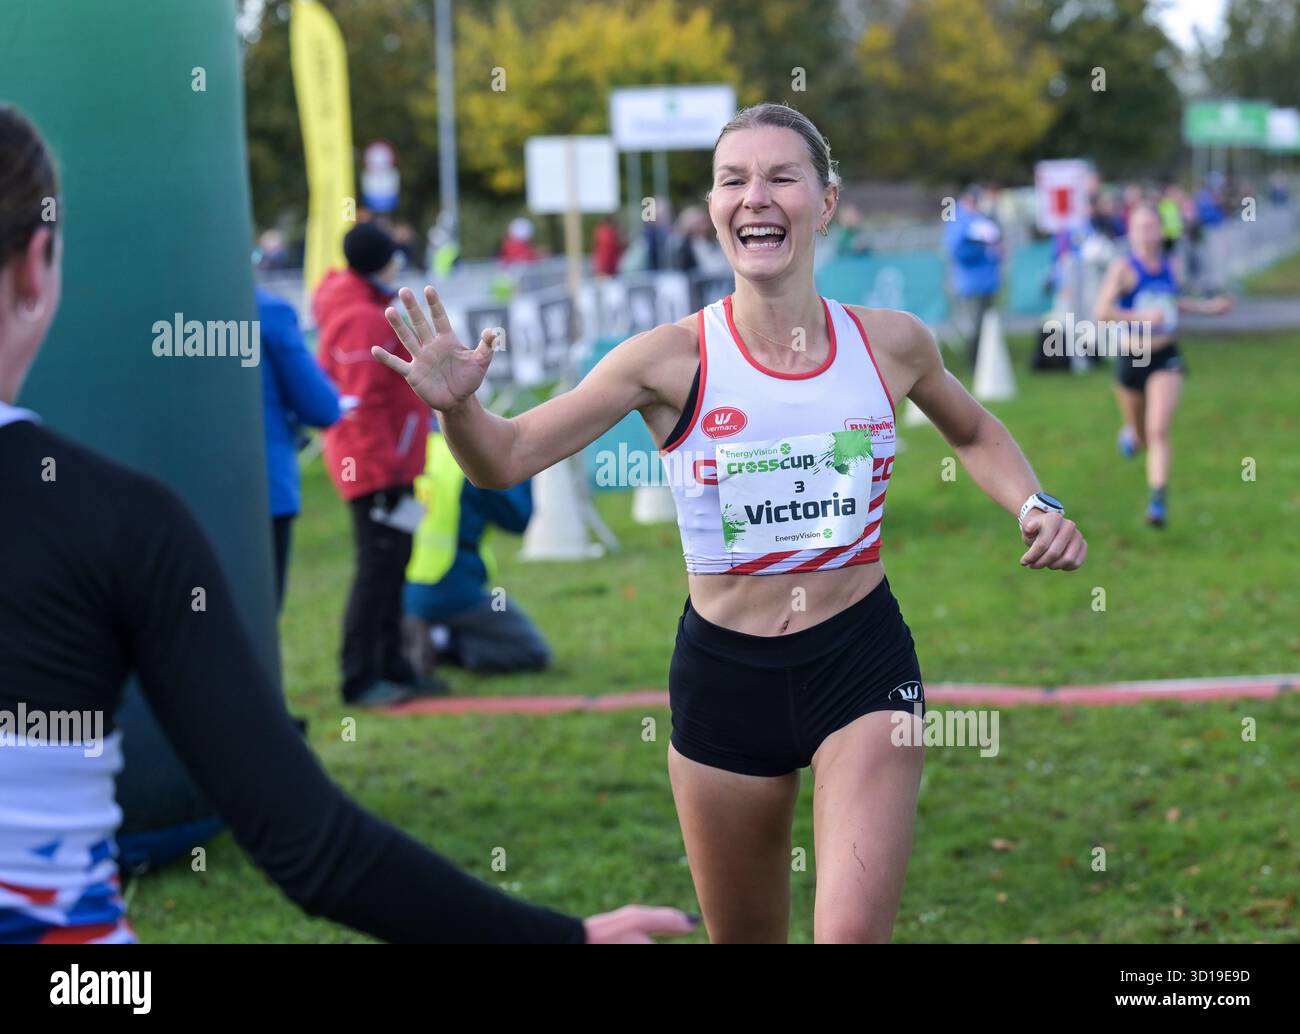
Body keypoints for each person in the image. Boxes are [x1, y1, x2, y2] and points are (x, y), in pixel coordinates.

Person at [374, 102, 1087, 943]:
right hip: (724, 679)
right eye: (732, 180)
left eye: (782, 176)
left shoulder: (893, 344)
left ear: (824, 202)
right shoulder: (666, 359)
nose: (756, 196)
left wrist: (1034, 502)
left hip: (860, 663)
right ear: (713, 208)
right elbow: (509, 456)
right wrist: (462, 412)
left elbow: (972, 430)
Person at [0, 103, 692, 944]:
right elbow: (311, 845)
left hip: (364, 475)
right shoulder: (118, 522)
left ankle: (378, 670)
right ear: (36, 265)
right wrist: (562, 940)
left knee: (374, 580)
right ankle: (373, 673)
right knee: (370, 581)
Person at [314, 221, 439, 707]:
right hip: (374, 469)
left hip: (393, 465)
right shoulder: (361, 319)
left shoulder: (362, 309)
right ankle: (360, 677)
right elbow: (359, 405)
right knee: (377, 569)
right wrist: (385, 469)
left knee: (394, 565)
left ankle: (395, 667)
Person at [1093, 204, 1232, 528]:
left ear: (1161, 231)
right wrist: (1141, 318)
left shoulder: (1170, 265)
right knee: (1141, 437)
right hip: (1131, 358)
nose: (1146, 233)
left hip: (1165, 355)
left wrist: (1209, 308)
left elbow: (1173, 302)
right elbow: (1102, 310)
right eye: (1140, 226)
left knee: (1158, 429)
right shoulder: (1123, 268)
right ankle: (1132, 436)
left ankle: (1157, 502)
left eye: (1152, 226)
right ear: (1131, 232)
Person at [403, 422, 552, 678]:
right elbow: (519, 518)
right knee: (532, 650)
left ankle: (424, 636)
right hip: (454, 588)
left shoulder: (418, 451)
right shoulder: (470, 461)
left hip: (406, 589)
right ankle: (446, 643)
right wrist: (527, 470)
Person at [257, 285, 341, 610]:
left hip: (173, 495)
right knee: (257, 625)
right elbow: (321, 406)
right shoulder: (267, 311)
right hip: (263, 490)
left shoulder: (160, 306)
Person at [944, 184, 1003, 371]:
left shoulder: (980, 218)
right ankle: (974, 364)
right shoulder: (958, 220)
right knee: (975, 326)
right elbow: (956, 251)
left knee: (987, 325)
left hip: (987, 280)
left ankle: (985, 362)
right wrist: (980, 246)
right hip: (971, 283)